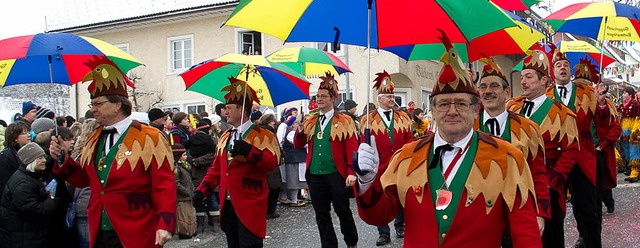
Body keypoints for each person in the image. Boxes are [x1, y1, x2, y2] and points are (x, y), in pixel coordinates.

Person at [356, 30, 541, 247]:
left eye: (461, 103)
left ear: (475, 110)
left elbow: (526, 232)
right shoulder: (407, 156)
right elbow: (380, 216)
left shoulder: (507, 157)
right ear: (432, 110)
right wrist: (367, 182)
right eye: (443, 104)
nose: (452, 111)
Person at [49, 58, 176, 248]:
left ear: (117, 105)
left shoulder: (150, 137)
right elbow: (85, 180)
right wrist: (62, 160)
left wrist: (165, 223)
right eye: (92, 104)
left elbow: (163, 184)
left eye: (98, 104)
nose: (93, 110)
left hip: (136, 228)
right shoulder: (93, 138)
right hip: (99, 229)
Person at [506, 43, 579, 248]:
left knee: (551, 239)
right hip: (516, 185)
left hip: (548, 186)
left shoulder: (563, 114)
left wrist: (554, 180)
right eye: (522, 77)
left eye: (529, 76)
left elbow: (571, 150)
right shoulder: (511, 107)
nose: (523, 81)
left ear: (544, 80)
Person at [193, 78, 280, 247]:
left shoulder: (262, 135)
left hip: (250, 204)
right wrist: (201, 191)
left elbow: (272, 163)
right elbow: (217, 169)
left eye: (229, 108)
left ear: (241, 110)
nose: (225, 112)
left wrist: (249, 151)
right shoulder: (226, 136)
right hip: (227, 205)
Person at [475, 57, 550, 247]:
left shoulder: (528, 128)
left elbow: (538, 173)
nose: (488, 91)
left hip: (517, 210)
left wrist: (539, 212)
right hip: (476, 213)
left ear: (507, 91)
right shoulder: (466, 128)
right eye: (483, 87)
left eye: (494, 86)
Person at [547, 46, 609, 248]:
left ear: (571, 71)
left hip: (583, 159)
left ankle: (591, 243)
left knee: (588, 208)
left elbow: (602, 125)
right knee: (554, 212)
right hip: (557, 162)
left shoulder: (587, 93)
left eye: (566, 65)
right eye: (558, 65)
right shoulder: (546, 98)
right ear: (553, 72)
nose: (563, 68)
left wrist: (601, 104)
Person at [293, 72, 359, 248]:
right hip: (316, 175)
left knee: (343, 211)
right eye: (317, 96)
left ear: (332, 99)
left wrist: (352, 172)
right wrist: (299, 128)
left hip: (336, 174)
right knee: (321, 214)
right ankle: (329, 245)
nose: (319, 99)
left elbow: (353, 147)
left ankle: (351, 241)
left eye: (323, 96)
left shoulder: (344, 120)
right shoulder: (310, 121)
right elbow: (298, 145)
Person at [359, 70, 412, 246]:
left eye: (392, 95)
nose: (391, 99)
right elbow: (363, 145)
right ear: (379, 98)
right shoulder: (367, 120)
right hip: (378, 166)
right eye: (388, 96)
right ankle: (383, 232)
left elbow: (409, 141)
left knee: (399, 194)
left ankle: (400, 225)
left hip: (398, 165)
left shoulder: (403, 118)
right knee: (379, 198)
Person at [0, 143, 60, 248]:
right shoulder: (23, 183)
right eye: (40, 158)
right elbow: (32, 209)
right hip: (23, 238)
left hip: (27, 234)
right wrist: (51, 201)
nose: (44, 160)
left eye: (43, 157)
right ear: (31, 161)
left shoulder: (30, 177)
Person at [257, 114, 284, 218]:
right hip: (271, 163)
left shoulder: (259, 131)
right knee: (273, 188)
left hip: (265, 163)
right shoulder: (269, 132)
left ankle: (267, 210)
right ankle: (270, 211)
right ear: (269, 122)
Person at [280, 115, 308, 208]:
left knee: (298, 180)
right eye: (296, 123)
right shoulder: (291, 134)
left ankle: (295, 198)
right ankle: (294, 200)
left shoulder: (295, 133)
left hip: (298, 159)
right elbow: (300, 144)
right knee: (294, 181)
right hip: (293, 159)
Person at [0, 122, 30, 200]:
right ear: (15, 138)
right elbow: (6, 182)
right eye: (24, 133)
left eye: (28, 132)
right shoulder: (7, 156)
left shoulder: (26, 151)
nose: (28, 135)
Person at [172, 144, 197, 239]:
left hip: (188, 194)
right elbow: (176, 182)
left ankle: (190, 230)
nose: (186, 157)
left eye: (186, 155)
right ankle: (184, 232)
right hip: (182, 196)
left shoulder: (185, 166)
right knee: (183, 215)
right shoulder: (177, 168)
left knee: (189, 213)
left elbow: (189, 180)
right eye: (184, 155)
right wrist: (186, 191)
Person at [617, 86, 640, 180]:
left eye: (625, 93)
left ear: (630, 94)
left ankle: (635, 171)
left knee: (634, 149)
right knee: (625, 149)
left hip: (633, 129)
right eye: (623, 93)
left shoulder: (635, 104)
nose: (623, 95)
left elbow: (638, 117)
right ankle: (629, 168)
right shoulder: (622, 105)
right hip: (624, 130)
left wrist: (636, 130)